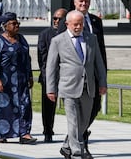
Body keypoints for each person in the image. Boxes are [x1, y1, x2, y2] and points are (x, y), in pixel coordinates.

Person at [46, 10, 107, 159]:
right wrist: (51, 89)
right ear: (67, 24)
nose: (78, 27)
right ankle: (76, 151)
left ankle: (66, 146)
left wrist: (103, 82)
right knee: (73, 121)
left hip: (88, 86)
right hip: (68, 87)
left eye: (81, 24)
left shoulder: (91, 39)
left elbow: (99, 63)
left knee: (85, 121)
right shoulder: (58, 41)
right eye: (75, 24)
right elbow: (51, 66)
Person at [0, 12, 37, 144]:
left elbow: (27, 59)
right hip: (5, 80)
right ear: (5, 26)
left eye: (18, 23)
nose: (17, 25)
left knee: (25, 106)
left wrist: (29, 75)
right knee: (5, 107)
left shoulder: (22, 39)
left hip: (22, 80)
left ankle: (24, 133)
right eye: (13, 23)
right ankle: (3, 133)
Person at [37, 8, 67, 143]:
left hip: (67, 75)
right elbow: (41, 58)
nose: (56, 21)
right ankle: (48, 131)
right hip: (50, 75)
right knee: (48, 106)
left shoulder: (69, 34)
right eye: (54, 18)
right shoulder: (45, 34)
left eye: (59, 19)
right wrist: (46, 76)